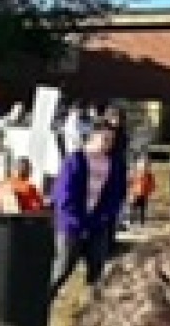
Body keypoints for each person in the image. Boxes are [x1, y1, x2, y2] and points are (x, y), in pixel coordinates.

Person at [47, 123, 124, 304]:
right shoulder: (75, 161)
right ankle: (42, 302)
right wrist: (76, 223)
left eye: (111, 141)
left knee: (97, 271)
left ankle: (91, 309)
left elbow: (116, 196)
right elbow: (64, 195)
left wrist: (102, 220)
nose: (108, 144)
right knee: (62, 269)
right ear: (93, 137)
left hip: (98, 225)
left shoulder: (114, 165)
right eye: (105, 139)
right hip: (71, 226)